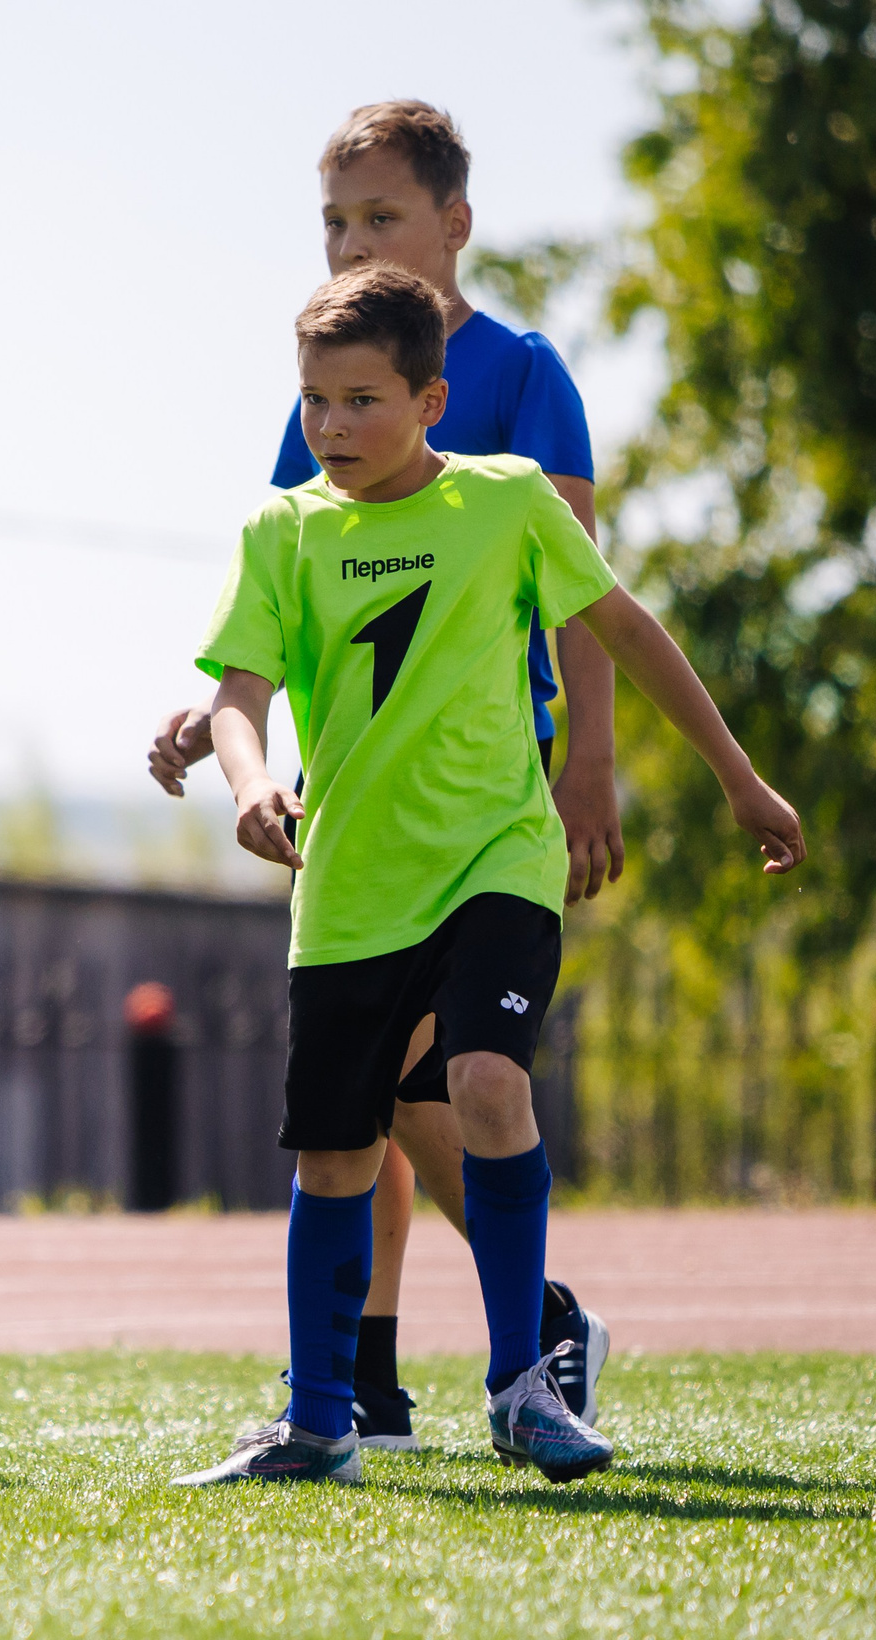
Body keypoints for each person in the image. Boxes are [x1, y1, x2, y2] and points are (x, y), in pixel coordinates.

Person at [175, 266, 803, 1486]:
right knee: (335, 1161)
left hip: (493, 858)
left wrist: (737, 778)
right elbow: (237, 697)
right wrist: (248, 783)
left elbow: (620, 628)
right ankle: (318, 1426)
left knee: (483, 1085)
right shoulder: (282, 530)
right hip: (350, 887)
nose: (331, 428)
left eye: (361, 401)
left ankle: (521, 1389)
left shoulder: (507, 503)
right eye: (313, 402)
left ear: (430, 400)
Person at [149, 102, 616, 1445]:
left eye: (381, 219)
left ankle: (517, 1337)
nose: (353, 241)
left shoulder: (524, 375)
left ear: (451, 226)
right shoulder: (329, 390)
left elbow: (585, 602)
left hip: (479, 790)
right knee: (383, 1100)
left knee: (444, 1084)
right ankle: (372, 1372)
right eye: (336, 223)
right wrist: (214, 720)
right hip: (349, 794)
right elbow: (289, 603)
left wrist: (589, 761)